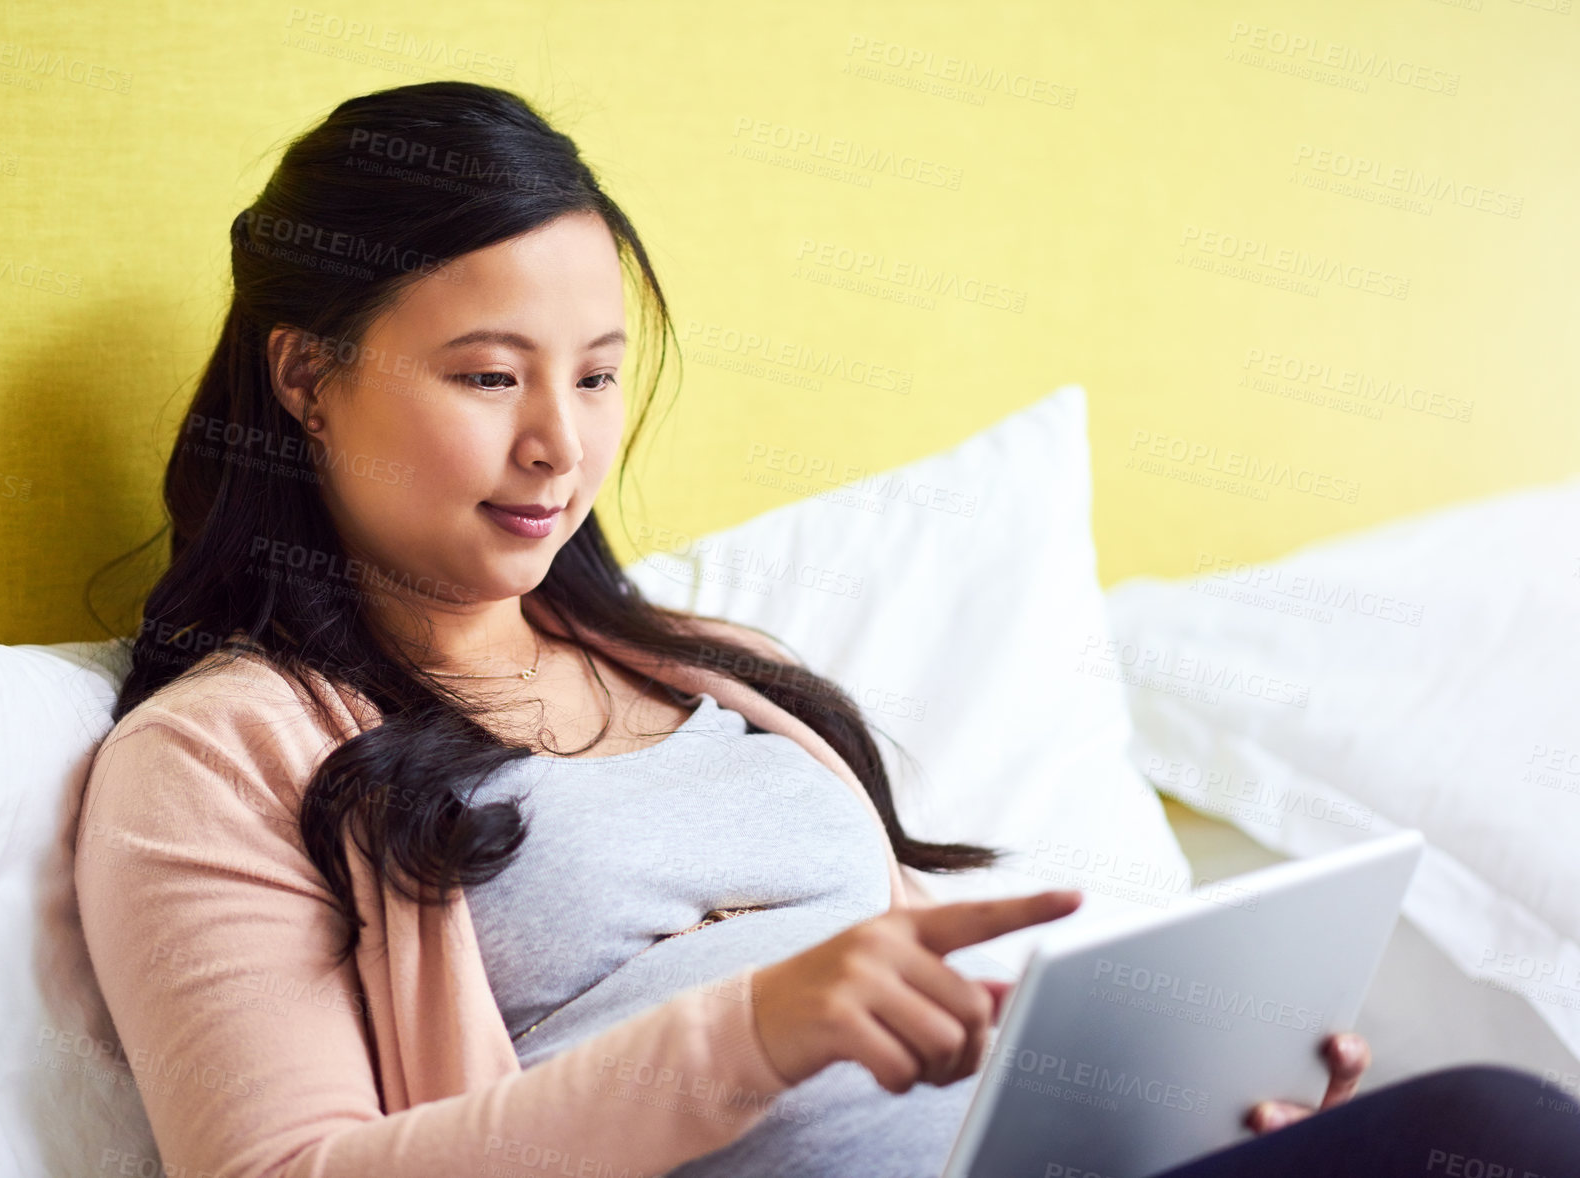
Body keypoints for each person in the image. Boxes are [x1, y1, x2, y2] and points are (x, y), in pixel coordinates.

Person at [76, 80, 1578, 1178]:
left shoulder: (722, 665)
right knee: (1502, 1127)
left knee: (1484, 1138)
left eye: (595, 377)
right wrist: (753, 1032)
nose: (560, 448)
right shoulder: (220, 752)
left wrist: (1180, 1092)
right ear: (303, 376)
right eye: (487, 376)